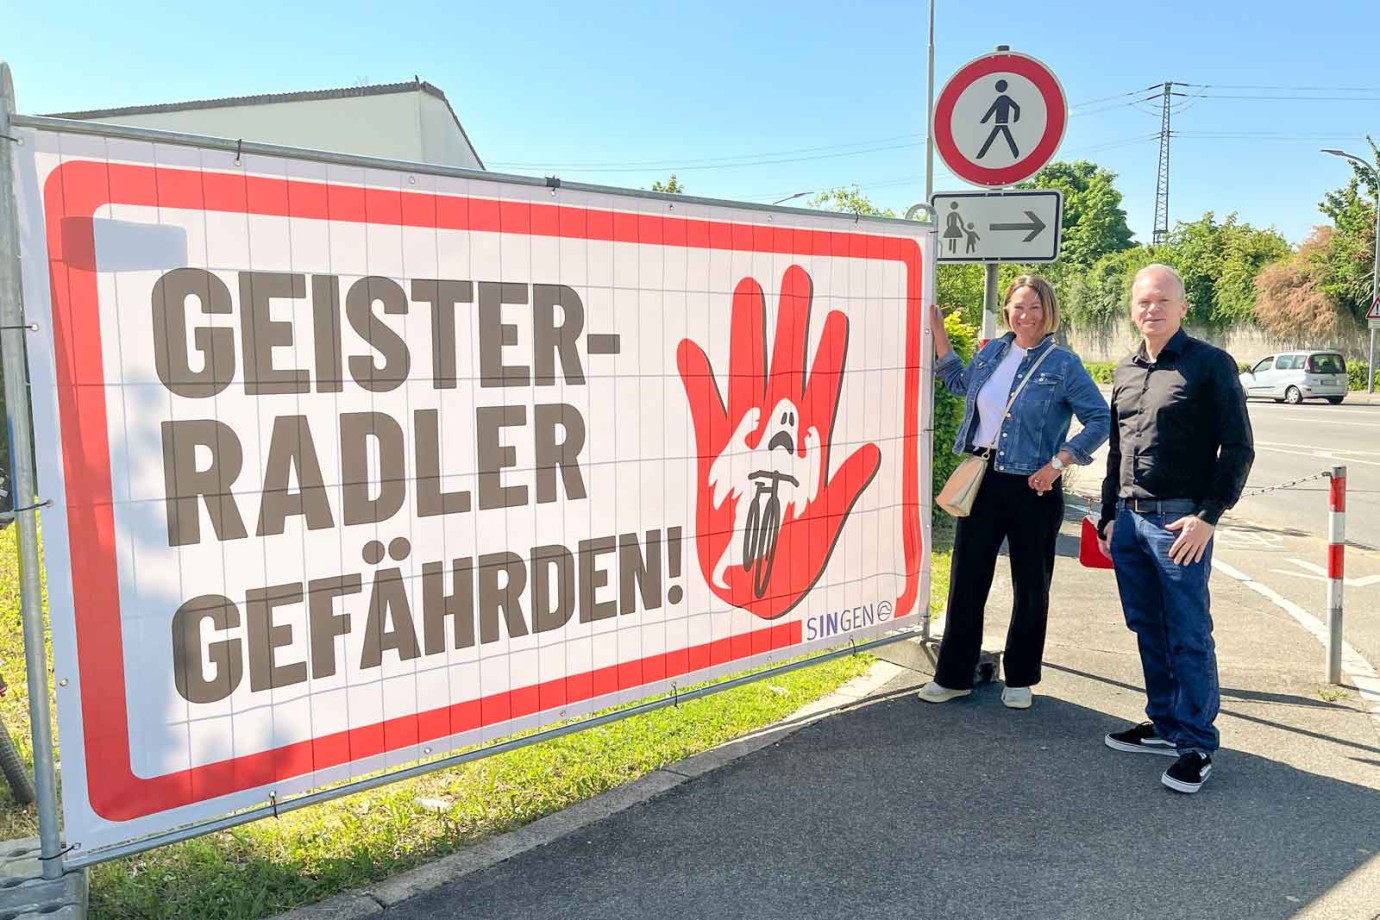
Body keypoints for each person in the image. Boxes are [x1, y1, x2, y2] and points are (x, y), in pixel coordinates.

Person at [1097, 264, 1254, 794]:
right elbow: (1118, 450)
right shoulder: (1125, 370)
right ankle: (1165, 724)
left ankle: (1196, 743)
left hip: (1180, 523)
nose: (1152, 309)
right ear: (1132, 309)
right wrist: (1108, 515)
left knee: (1187, 632)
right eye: (1143, 301)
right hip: (1129, 520)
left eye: (1163, 300)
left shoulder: (1210, 365)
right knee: (1147, 626)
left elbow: (1238, 447)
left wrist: (1209, 516)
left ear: (1183, 307)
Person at [920, 276, 1110, 709]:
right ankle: (953, 676)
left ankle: (1021, 678)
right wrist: (939, 334)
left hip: (1033, 487)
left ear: (1048, 312)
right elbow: (958, 384)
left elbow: (1100, 419)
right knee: (967, 580)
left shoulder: (1063, 364)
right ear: (1007, 310)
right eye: (1018, 307)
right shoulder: (991, 353)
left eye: (1034, 308)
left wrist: (1059, 463)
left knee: (1031, 585)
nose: (1025, 316)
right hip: (983, 480)